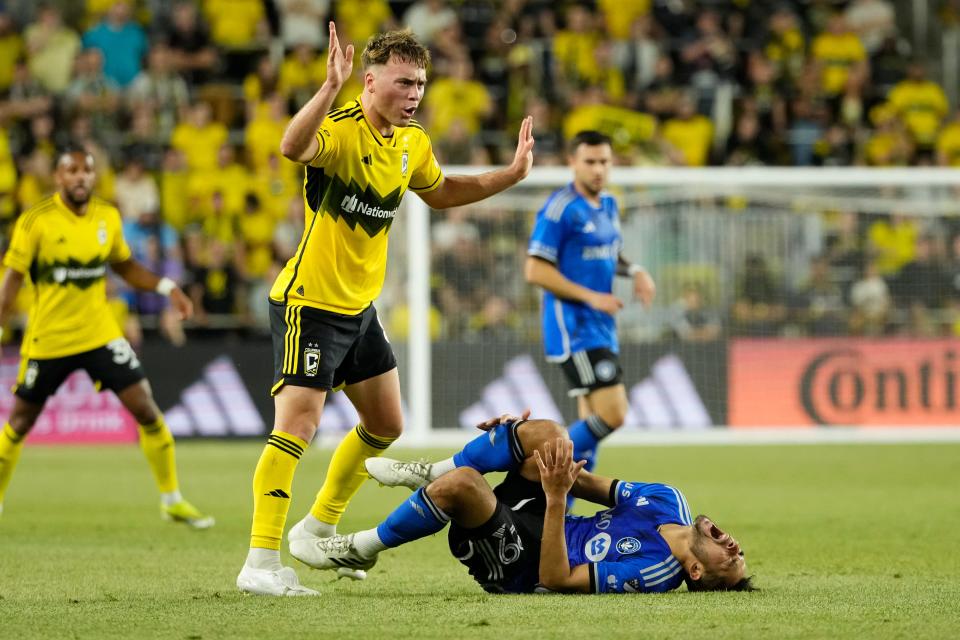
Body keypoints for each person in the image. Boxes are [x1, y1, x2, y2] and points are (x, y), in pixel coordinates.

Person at [236, 22, 535, 597]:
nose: (414, 94)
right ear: (368, 82)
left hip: (358, 310)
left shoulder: (411, 142)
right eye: (403, 83)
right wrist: (328, 89)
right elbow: (292, 147)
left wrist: (511, 175)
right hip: (309, 303)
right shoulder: (342, 130)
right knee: (296, 425)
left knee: (386, 425)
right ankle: (260, 562)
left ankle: (317, 526)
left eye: (420, 83)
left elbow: (442, 191)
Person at [291, 413, 754, 594]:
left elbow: (556, 578)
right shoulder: (668, 500)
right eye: (739, 551)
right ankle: (430, 470)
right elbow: (584, 482)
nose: (734, 548)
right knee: (552, 437)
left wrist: (555, 500)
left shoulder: (655, 573)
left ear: (695, 571)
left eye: (728, 561)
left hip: (527, 565)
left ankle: (361, 547)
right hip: (543, 514)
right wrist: (523, 446)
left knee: (465, 485)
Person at [0, 144, 212, 528]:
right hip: (49, 338)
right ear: (58, 177)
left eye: (87, 170)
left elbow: (125, 266)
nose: (80, 177)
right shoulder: (36, 221)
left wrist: (168, 288)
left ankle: (172, 499)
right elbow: (12, 279)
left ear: (95, 176)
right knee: (19, 423)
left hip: (99, 333)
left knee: (146, 410)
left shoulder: (107, 216)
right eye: (71, 170)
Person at [524, 130, 655, 478]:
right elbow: (535, 269)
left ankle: (560, 515)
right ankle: (532, 473)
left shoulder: (609, 204)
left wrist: (636, 271)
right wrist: (591, 296)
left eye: (604, 162)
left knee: (589, 432)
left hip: (601, 327)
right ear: (573, 163)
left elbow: (610, 254)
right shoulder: (560, 209)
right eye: (590, 162)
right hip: (574, 328)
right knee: (615, 414)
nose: (598, 169)